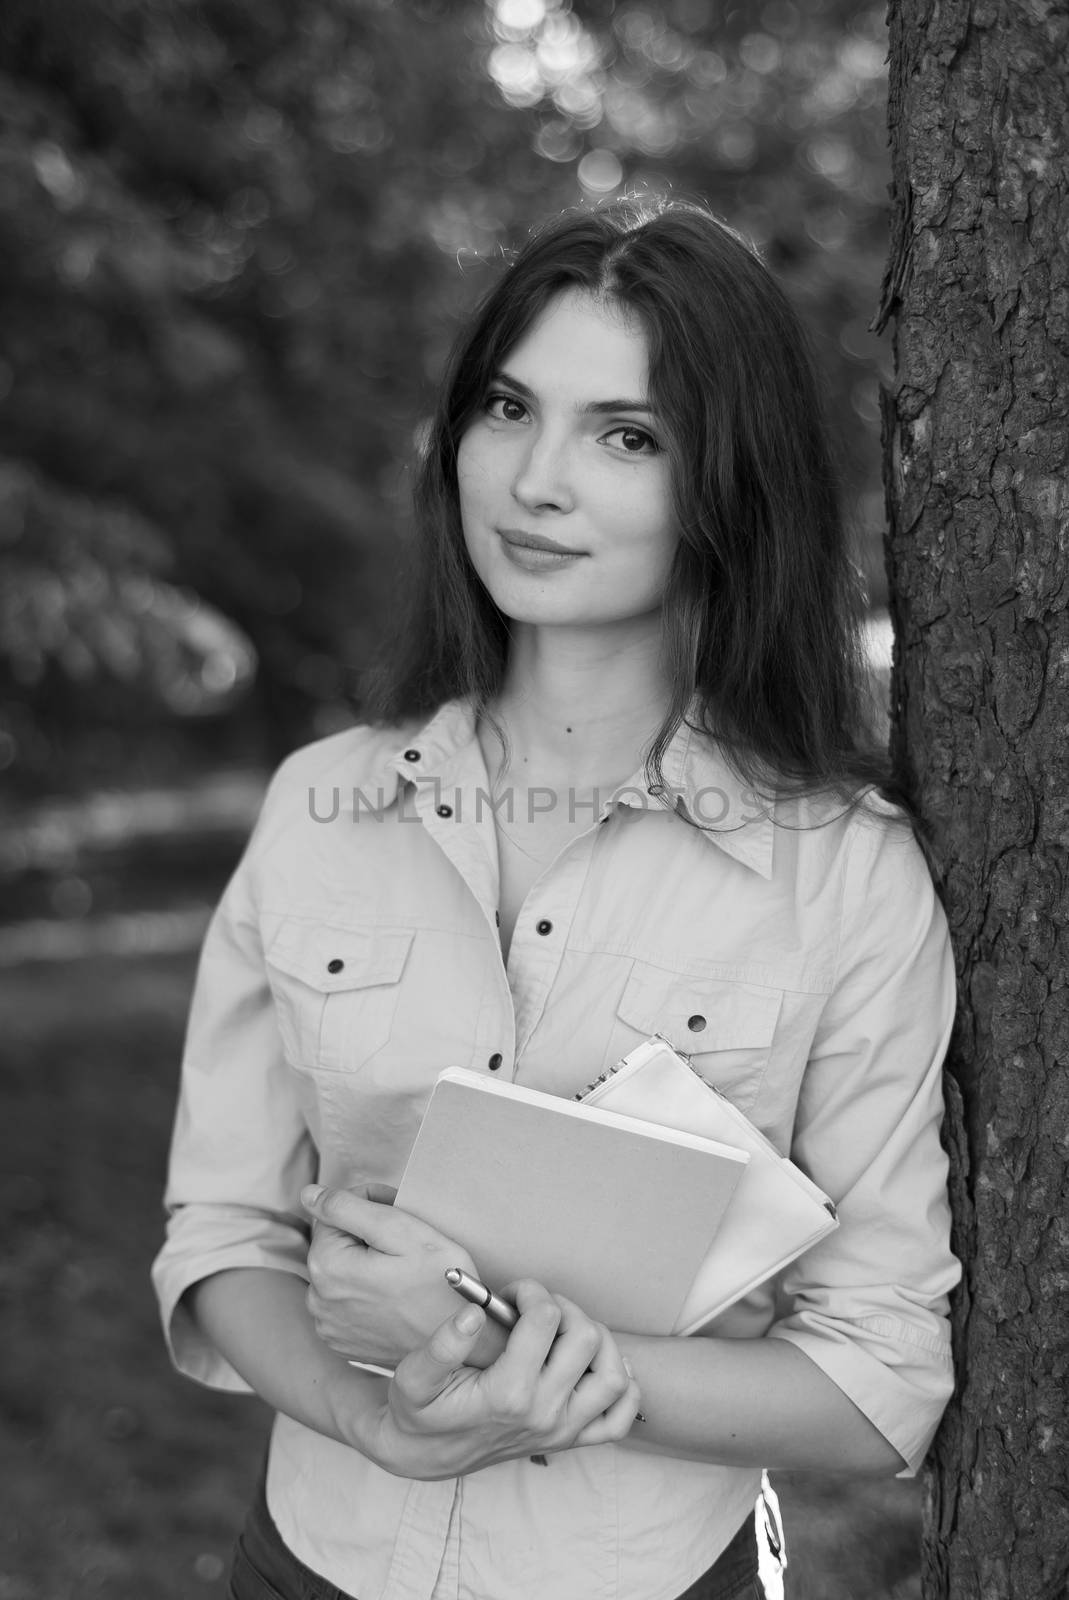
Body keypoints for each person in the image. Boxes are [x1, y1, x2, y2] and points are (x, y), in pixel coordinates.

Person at [152, 195, 960, 1600]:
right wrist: (382, 1424)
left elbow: (878, 1376)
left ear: (728, 486)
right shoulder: (321, 807)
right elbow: (221, 1237)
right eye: (509, 408)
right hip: (307, 1562)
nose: (534, 482)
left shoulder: (843, 875)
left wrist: (497, 1349)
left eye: (625, 437)